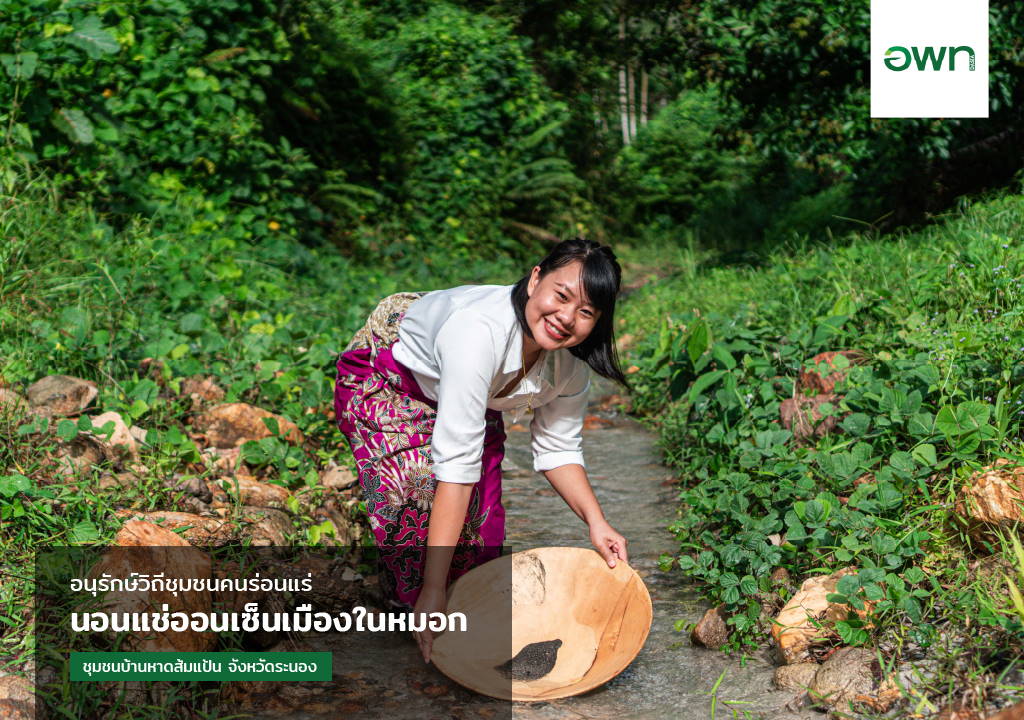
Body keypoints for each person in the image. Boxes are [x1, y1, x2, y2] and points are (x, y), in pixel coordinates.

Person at [333, 237, 629, 663]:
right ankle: (414, 611)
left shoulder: (569, 368)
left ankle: (442, 616)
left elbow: (558, 449)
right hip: (394, 374)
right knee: (418, 497)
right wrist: (434, 590)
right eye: (560, 296)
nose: (566, 318)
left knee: (480, 536)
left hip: (475, 389)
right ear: (535, 279)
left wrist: (597, 523)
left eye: (585, 312)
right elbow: (456, 468)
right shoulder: (476, 332)